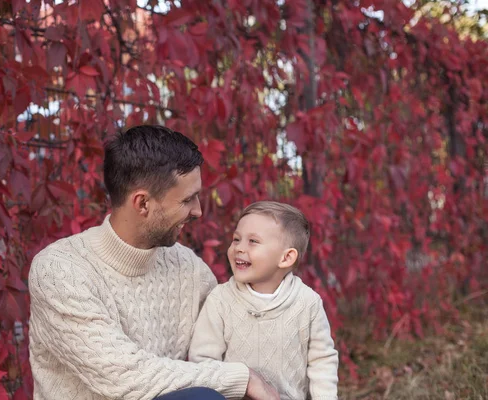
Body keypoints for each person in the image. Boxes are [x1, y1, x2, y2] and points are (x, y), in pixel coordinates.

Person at [28, 125, 280, 400]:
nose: (198, 210)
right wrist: (240, 379)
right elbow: (123, 377)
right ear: (142, 204)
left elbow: (237, 338)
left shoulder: (188, 268)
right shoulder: (60, 270)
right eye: (187, 199)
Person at [189, 201, 339, 400]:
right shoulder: (220, 300)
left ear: (286, 258)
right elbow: (202, 361)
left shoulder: (308, 303)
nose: (239, 248)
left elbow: (322, 361)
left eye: (253, 241)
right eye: (236, 239)